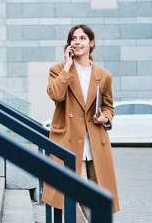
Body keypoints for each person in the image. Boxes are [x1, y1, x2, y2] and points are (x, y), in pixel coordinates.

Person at [41, 24, 120, 222]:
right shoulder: (58, 70)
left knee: (96, 198)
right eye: (74, 38)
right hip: (68, 143)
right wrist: (67, 66)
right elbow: (55, 95)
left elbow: (109, 107)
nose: (77, 41)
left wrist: (105, 118)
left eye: (83, 38)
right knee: (76, 196)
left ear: (92, 43)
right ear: (69, 45)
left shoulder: (104, 75)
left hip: (96, 145)